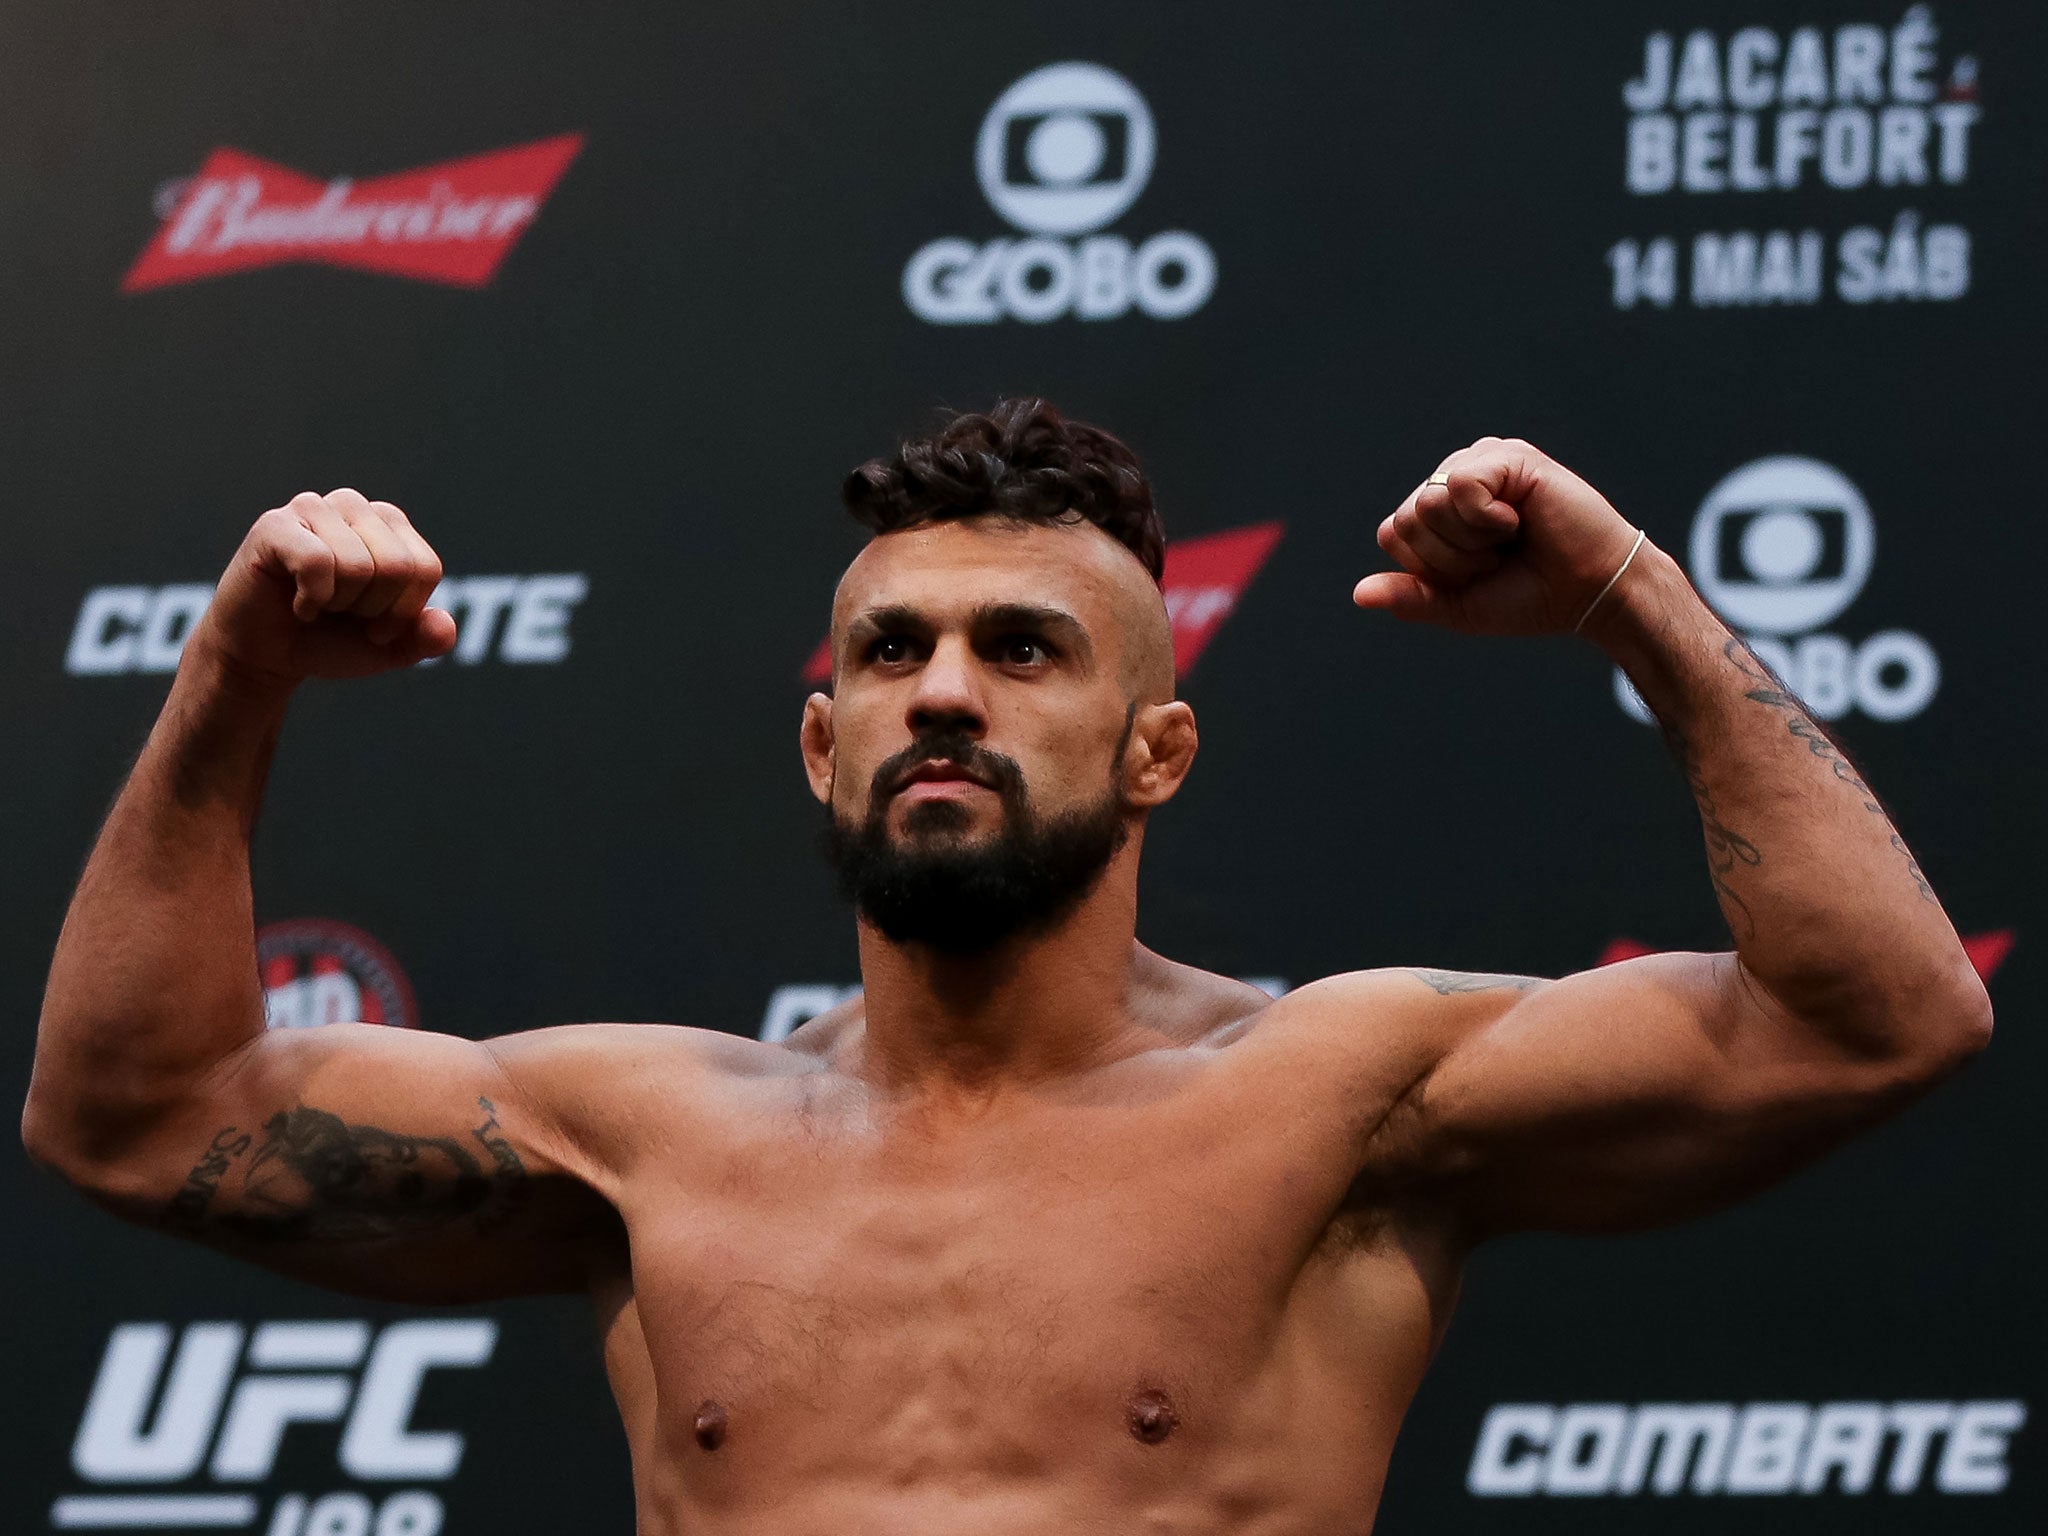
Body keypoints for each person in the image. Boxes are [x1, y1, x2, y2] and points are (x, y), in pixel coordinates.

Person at [25, 399, 1989, 1534]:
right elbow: (135, 1117)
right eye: (890, 653)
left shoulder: (1340, 1096)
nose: (943, 690)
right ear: (824, 742)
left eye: (1024, 650)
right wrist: (236, 675)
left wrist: (1632, 597)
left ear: (1157, 750)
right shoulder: (646, 1134)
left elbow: (1878, 1017)